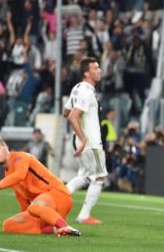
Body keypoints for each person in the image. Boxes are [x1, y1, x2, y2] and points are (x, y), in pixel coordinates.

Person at [0, 136, 80, 237]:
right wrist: (27, 218)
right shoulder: (8, 176)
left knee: (34, 207)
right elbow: (23, 202)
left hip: (59, 195)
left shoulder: (20, 157)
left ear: (6, 147)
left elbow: (19, 175)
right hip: (45, 210)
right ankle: (54, 228)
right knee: (8, 225)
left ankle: (65, 226)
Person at [63, 57, 107, 224]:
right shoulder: (87, 91)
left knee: (86, 176)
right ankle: (84, 215)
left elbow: (65, 112)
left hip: (80, 140)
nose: (99, 70)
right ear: (86, 73)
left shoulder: (77, 88)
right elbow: (73, 117)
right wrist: (83, 139)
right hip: (91, 142)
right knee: (99, 177)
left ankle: (57, 198)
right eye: (95, 68)